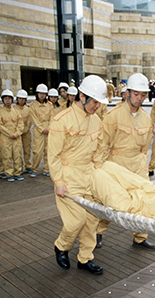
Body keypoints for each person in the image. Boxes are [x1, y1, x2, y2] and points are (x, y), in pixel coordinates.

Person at [48, 75, 107, 274]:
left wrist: (98, 174)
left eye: (100, 103)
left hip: (88, 175)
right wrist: (58, 182)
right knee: (76, 220)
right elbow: (53, 155)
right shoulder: (61, 120)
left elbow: (99, 150)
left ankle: (85, 258)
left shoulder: (96, 120)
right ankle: (62, 246)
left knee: (91, 221)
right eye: (95, 102)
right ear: (82, 96)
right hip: (68, 175)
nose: (97, 106)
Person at [94, 73, 155, 250]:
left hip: (138, 164)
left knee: (144, 200)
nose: (139, 98)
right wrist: (100, 168)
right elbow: (102, 144)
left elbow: (146, 146)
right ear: (127, 92)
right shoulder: (113, 116)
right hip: (116, 163)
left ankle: (140, 238)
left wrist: (142, 162)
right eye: (136, 94)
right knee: (108, 201)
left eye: (143, 95)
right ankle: (97, 232)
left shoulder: (146, 117)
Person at [0, 90, 24, 182]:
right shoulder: (0, 112)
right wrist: (10, 134)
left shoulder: (16, 111)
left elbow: (20, 124)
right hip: (6, 138)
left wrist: (16, 133)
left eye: (9, 99)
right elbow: (0, 126)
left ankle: (18, 172)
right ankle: (9, 173)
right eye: (5, 99)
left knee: (17, 155)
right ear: (3, 100)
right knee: (7, 156)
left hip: (16, 137)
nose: (7, 101)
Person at [29, 84, 52, 177]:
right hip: (38, 131)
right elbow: (34, 119)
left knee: (48, 151)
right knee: (37, 151)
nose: (42, 95)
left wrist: (49, 128)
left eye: (44, 93)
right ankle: (34, 168)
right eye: (40, 93)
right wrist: (42, 129)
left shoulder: (49, 105)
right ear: (37, 94)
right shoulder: (33, 105)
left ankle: (46, 169)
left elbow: (52, 117)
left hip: (48, 130)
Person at [14, 89, 32, 173]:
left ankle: (28, 165)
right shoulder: (14, 109)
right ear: (17, 99)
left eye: (23, 99)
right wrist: (19, 131)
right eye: (20, 98)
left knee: (27, 149)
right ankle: (19, 167)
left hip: (26, 132)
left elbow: (29, 120)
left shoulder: (28, 109)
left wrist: (25, 129)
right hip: (17, 132)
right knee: (17, 151)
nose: (22, 100)